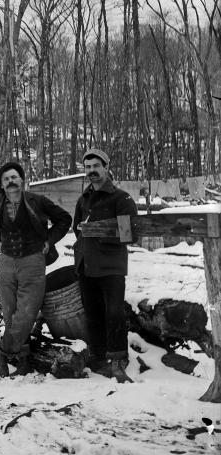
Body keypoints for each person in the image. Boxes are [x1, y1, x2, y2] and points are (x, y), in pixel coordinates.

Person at [0, 161, 71, 376]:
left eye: (14, 177)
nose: (11, 182)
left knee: (27, 311)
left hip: (33, 261)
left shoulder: (37, 201)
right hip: (6, 263)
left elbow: (64, 219)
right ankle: (22, 357)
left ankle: (2, 351)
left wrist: (50, 239)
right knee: (11, 312)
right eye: (6, 179)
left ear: (22, 180)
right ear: (2, 185)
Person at [72, 148, 138, 382]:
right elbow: (76, 229)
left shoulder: (121, 198)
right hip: (87, 266)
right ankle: (99, 357)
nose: (91, 171)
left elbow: (130, 233)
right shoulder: (83, 199)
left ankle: (118, 358)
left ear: (107, 167)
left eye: (96, 166)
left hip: (111, 267)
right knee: (93, 314)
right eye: (88, 167)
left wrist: (98, 230)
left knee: (114, 313)